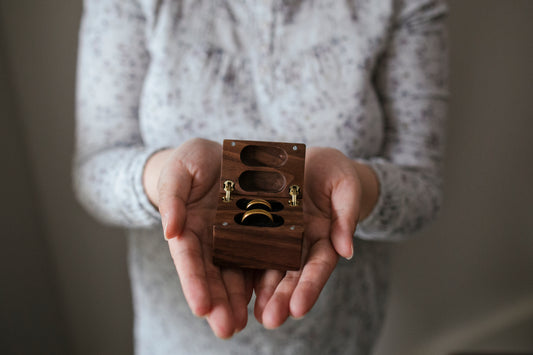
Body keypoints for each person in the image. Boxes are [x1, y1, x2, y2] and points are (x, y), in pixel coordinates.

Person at [73, 0, 448, 354]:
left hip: (336, 329)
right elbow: (96, 169)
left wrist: (355, 185)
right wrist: (163, 178)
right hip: (180, 333)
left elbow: (421, 188)